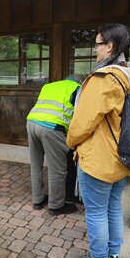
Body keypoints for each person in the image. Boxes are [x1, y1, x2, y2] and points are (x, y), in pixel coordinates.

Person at [66, 24, 130, 258]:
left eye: (98, 44)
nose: (95, 49)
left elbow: (82, 123)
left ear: (110, 46)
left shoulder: (102, 80)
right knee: (113, 208)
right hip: (121, 158)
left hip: (98, 160)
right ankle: (113, 257)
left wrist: (71, 142)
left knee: (97, 212)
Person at [26, 76, 81, 215]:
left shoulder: (49, 86)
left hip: (32, 122)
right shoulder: (77, 89)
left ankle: (38, 200)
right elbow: (79, 116)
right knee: (57, 169)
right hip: (52, 128)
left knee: (36, 165)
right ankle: (56, 205)